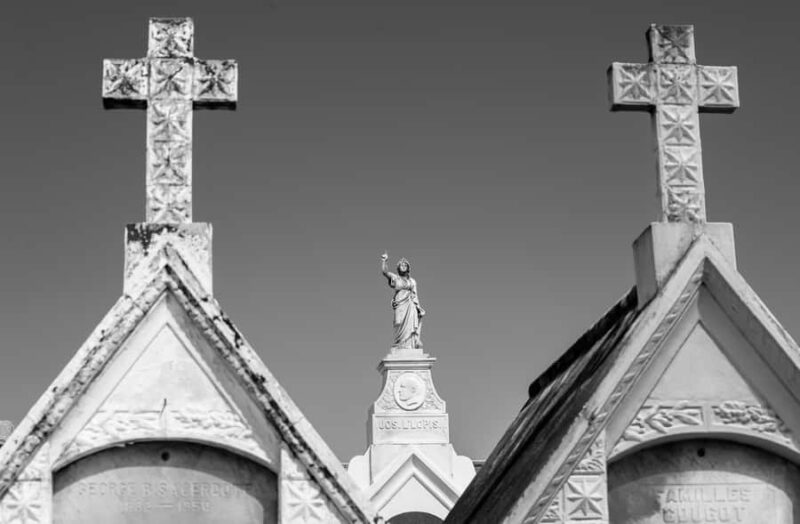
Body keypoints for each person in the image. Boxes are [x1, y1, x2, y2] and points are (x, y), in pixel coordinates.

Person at [381, 252, 425, 350]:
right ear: (398, 268)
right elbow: (385, 272)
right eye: (401, 265)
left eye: (405, 265)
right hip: (400, 304)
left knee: (410, 325)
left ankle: (410, 345)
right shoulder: (395, 278)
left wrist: (418, 307)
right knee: (398, 323)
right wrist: (384, 261)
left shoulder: (412, 281)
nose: (403, 266)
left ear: (408, 268)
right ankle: (399, 343)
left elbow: (415, 295)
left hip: (410, 305)